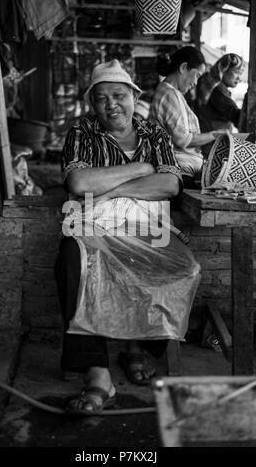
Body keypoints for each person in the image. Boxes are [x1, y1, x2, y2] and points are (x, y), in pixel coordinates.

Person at [54, 59, 201, 412]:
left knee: (184, 268)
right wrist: (140, 168)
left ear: (134, 96)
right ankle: (98, 374)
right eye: (101, 98)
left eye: (119, 95)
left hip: (148, 229)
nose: (111, 105)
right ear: (92, 104)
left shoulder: (156, 135)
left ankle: (137, 347)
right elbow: (79, 182)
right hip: (94, 227)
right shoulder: (82, 134)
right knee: (72, 262)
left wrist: (110, 191)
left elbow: (169, 184)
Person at [150, 46, 227, 188]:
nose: (196, 82)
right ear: (183, 67)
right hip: (178, 174)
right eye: (197, 75)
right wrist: (216, 135)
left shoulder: (172, 93)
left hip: (180, 171)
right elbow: (183, 140)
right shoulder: (169, 94)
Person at [194, 53, 245, 134]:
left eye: (240, 74)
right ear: (223, 69)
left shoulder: (207, 82)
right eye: (236, 72)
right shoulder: (218, 90)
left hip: (208, 140)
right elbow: (238, 118)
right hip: (214, 142)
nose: (239, 78)